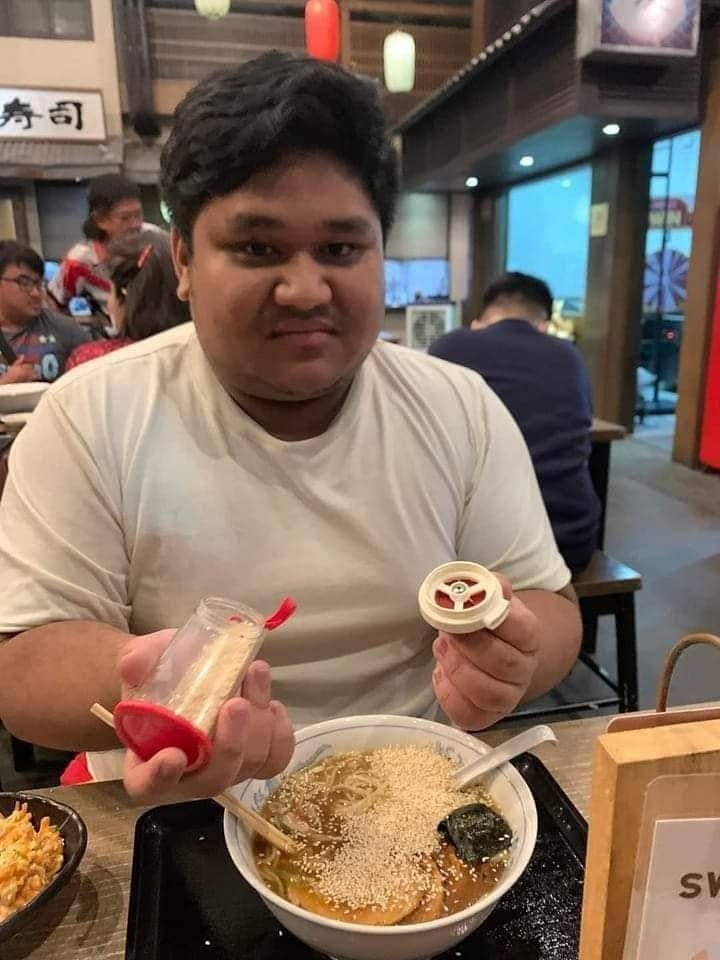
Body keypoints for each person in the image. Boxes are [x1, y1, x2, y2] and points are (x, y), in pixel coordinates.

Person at [0, 54, 581, 805]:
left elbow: (550, 604)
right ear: (183, 259)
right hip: (179, 803)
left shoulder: (457, 405)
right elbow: (23, 668)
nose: (306, 289)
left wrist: (510, 663)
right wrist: (168, 683)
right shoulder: (90, 414)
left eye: (340, 249)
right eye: (257, 248)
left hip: (413, 793)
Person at [429, 272, 600, 575]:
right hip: (570, 539)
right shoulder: (569, 357)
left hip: (469, 548)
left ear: (479, 321)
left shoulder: (448, 348)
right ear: (544, 325)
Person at [65, 230, 191, 370]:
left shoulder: (89, 363)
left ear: (125, 295)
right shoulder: (202, 354)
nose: (109, 303)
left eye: (110, 292)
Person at [48, 174, 144, 314]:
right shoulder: (79, 261)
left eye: (138, 215)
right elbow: (54, 303)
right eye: (125, 218)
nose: (136, 224)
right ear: (100, 220)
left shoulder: (154, 239)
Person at [0, 241, 90, 385]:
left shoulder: (67, 331)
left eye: (38, 283)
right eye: (23, 283)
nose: (35, 293)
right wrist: (6, 384)